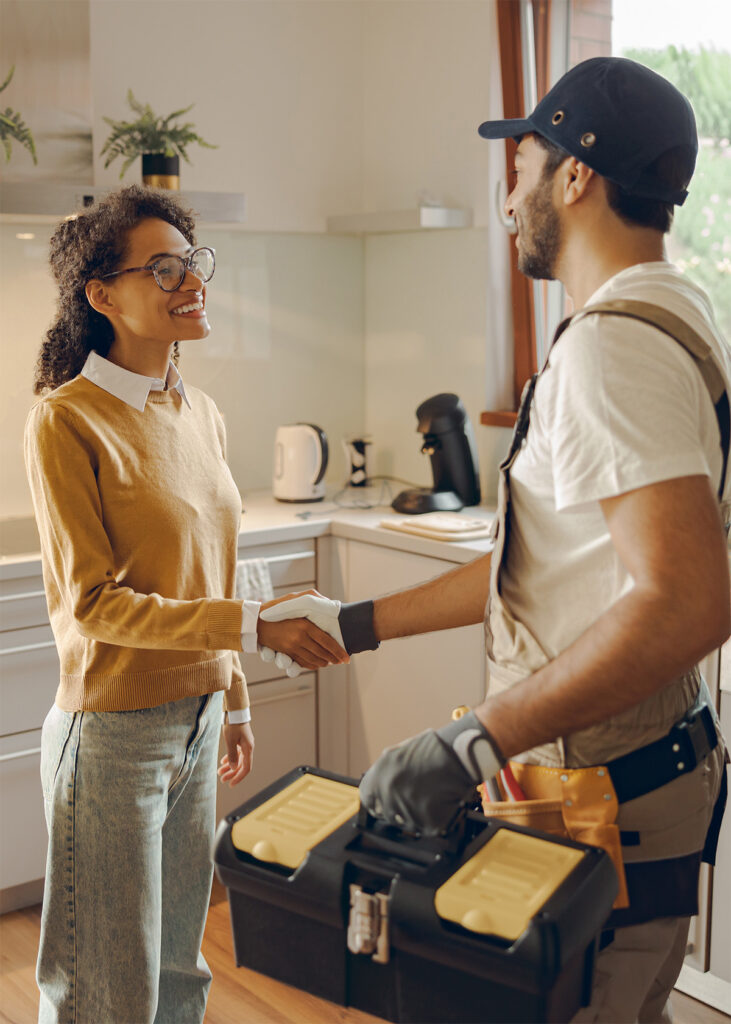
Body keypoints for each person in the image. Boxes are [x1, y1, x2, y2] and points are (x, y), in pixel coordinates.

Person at [258, 57, 731, 1023]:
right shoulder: (672, 311)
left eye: (519, 169)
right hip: (631, 777)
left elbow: (684, 600)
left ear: (575, 177)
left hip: (606, 791)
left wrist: (472, 742)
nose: (508, 199)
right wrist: (355, 622)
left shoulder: (610, 349)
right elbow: (548, 573)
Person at [25, 185, 348, 1024]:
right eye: (162, 268)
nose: (190, 280)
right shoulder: (68, 422)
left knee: (178, 968)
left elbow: (219, 567)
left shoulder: (198, 411)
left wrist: (232, 696)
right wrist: (254, 629)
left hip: (199, 718)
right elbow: (95, 604)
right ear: (102, 297)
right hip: (112, 736)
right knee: (107, 984)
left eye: (193, 262)